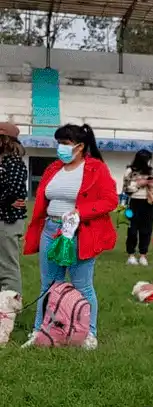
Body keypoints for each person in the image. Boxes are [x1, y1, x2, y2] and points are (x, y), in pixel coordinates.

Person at [22, 123, 117, 349]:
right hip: (50, 231)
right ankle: (39, 331)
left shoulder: (96, 169)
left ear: (80, 146)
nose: (60, 148)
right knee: (48, 284)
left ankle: (89, 333)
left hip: (79, 233)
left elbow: (110, 200)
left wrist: (80, 212)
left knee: (83, 285)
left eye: (65, 144)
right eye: (59, 144)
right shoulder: (54, 168)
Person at [0, 122, 28, 295]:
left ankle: (9, 310)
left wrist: (6, 199)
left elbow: (15, 191)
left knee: (7, 268)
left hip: (7, 221)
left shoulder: (14, 163)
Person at [123, 149, 153, 267]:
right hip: (134, 202)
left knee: (146, 230)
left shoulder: (152, 171)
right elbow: (126, 188)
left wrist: (151, 184)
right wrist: (139, 184)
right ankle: (131, 254)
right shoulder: (130, 171)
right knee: (132, 229)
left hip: (148, 202)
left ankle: (143, 254)